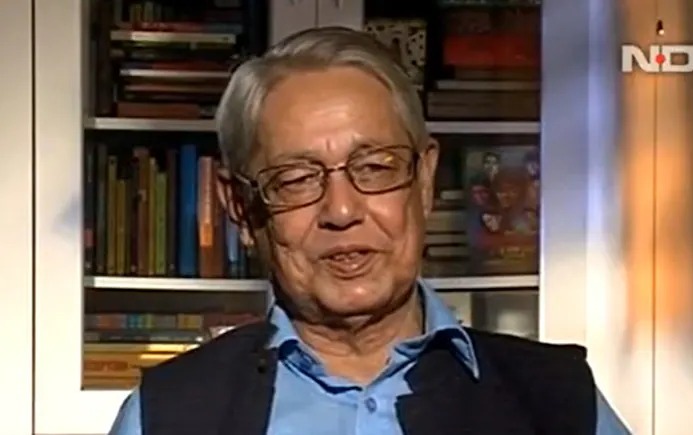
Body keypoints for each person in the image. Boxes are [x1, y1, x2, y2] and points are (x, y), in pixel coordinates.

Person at [107, 27, 631, 435]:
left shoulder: (558, 403)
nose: (341, 210)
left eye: (376, 168)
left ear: (424, 182)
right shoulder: (167, 415)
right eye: (296, 178)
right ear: (241, 209)